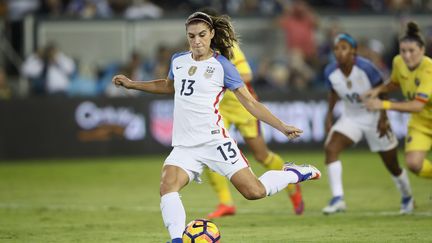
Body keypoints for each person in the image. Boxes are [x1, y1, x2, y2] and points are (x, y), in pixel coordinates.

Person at [112, 11, 321, 243]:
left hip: (215, 141)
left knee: (255, 192)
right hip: (185, 145)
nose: (197, 41)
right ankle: (177, 240)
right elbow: (167, 85)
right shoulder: (178, 61)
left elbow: (250, 103)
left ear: (211, 34)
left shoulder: (222, 66)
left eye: (202, 34)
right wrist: (132, 85)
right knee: (167, 185)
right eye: (191, 36)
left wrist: (281, 126)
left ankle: (292, 173)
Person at [199, 8, 304, 219]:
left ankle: (292, 185)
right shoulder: (198, 51)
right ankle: (226, 203)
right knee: (211, 150)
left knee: (261, 155)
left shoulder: (229, 48)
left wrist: (221, 76)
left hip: (242, 106)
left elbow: (246, 73)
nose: (198, 37)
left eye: (203, 31)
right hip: (219, 108)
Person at [322, 33, 414, 215]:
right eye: (336, 49)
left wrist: (383, 119)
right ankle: (338, 198)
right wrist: (329, 115)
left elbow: (384, 92)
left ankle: (407, 196)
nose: (339, 52)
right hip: (351, 117)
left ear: (353, 51)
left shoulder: (366, 68)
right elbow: (333, 93)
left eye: (344, 48)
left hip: (374, 117)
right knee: (331, 148)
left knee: (392, 165)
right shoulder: (330, 71)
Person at [364, 21, 432, 179]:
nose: (407, 55)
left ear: (422, 50)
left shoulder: (429, 70)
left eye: (412, 51)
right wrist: (378, 90)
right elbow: (395, 82)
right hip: (421, 123)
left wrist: (383, 104)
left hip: (420, 112)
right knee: (414, 164)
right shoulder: (398, 62)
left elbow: (416, 106)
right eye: (403, 51)